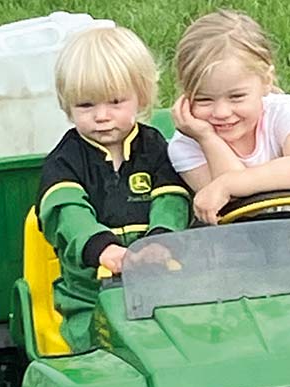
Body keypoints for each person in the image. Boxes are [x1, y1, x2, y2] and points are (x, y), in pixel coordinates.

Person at [36, 26, 190, 351]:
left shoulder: (155, 148)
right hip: (90, 293)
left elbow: (172, 196)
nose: (102, 116)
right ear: (67, 106)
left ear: (141, 96)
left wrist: (160, 239)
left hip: (160, 281)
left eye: (116, 102)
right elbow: (66, 211)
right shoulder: (65, 160)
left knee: (188, 338)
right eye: (86, 105)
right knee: (102, 350)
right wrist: (103, 249)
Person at [168, 10, 290, 225]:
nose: (221, 112)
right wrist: (207, 138)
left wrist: (227, 183)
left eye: (237, 96)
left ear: (266, 81)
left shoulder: (282, 110)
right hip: (232, 239)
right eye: (204, 99)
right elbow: (239, 206)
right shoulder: (185, 145)